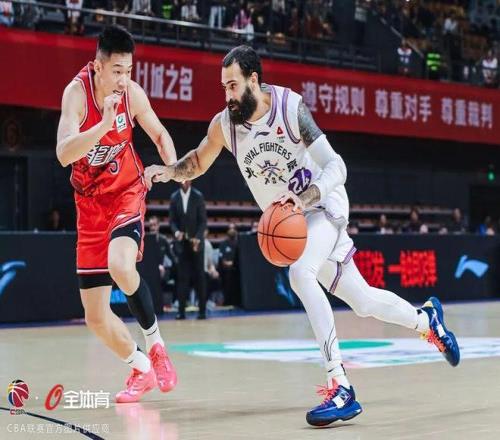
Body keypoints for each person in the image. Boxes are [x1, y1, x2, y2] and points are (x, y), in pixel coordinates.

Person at [144, 45, 460, 426]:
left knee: (300, 273)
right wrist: (169, 171)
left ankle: (340, 385)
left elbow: (336, 166)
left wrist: (305, 198)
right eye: (223, 87)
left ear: (253, 80)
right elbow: (197, 160)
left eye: (233, 85)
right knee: (362, 300)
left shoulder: (289, 108)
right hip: (295, 225)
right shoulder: (224, 125)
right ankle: (428, 321)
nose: (227, 95)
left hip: (322, 206)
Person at [56, 25, 178, 404]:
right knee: (95, 317)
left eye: (129, 70)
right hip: (89, 206)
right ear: (98, 67)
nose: (124, 79)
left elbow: (160, 135)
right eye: (117, 71)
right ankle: (141, 368)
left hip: (126, 191)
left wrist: (171, 168)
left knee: (121, 265)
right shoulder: (76, 95)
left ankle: (157, 347)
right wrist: (104, 126)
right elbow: (63, 153)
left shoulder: (133, 94)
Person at [169, 180, 208, 319]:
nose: (184, 181)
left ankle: (202, 311)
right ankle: (181, 311)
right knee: (182, 278)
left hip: (196, 243)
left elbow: (203, 221)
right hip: (182, 243)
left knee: (200, 277)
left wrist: (198, 237)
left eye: (187, 179)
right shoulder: (174, 197)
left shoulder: (198, 196)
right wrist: (176, 232)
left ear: (191, 180)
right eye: (182, 179)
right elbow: (172, 221)